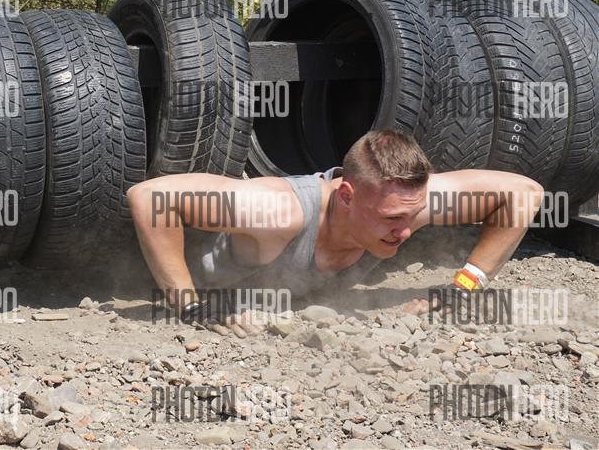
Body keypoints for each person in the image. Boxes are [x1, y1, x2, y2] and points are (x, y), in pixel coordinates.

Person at [127, 130, 544, 337]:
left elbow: (524, 193)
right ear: (346, 196)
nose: (404, 231)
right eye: (391, 219)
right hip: (177, 280)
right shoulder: (278, 212)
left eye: (412, 216)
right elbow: (149, 198)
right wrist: (190, 307)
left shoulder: (404, 203)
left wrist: (464, 286)